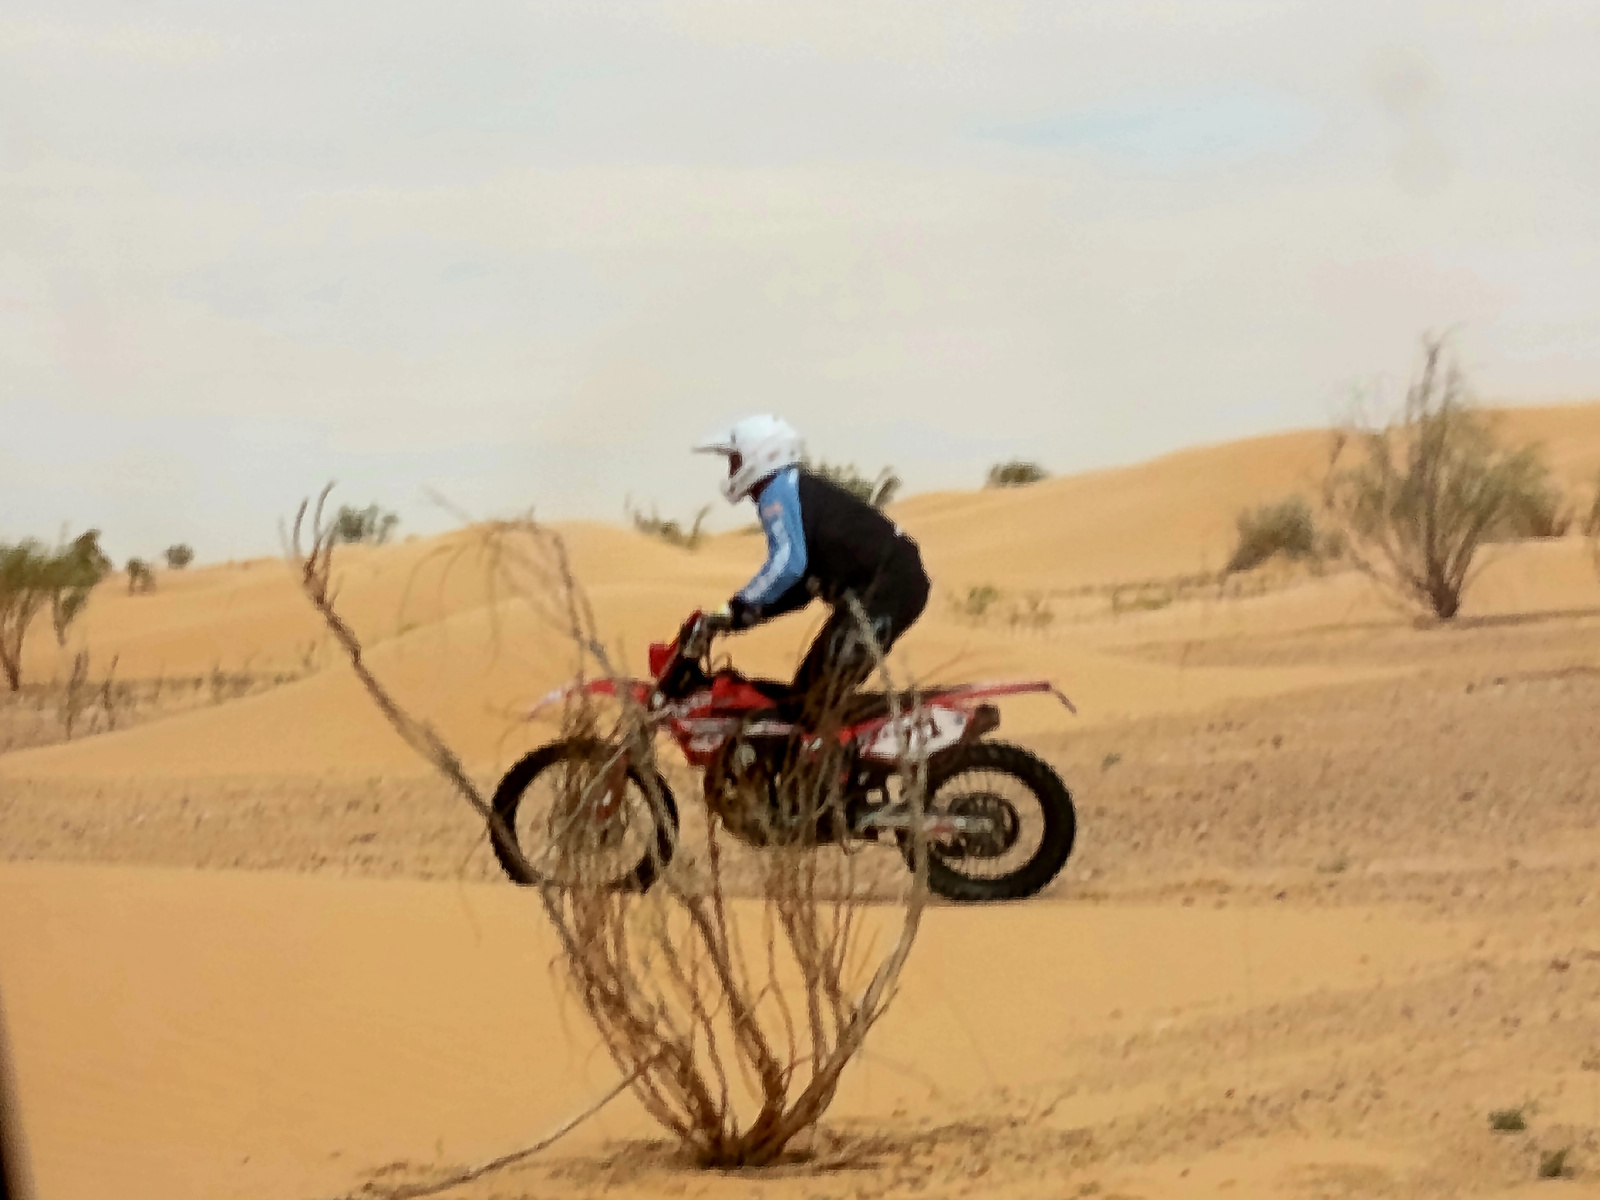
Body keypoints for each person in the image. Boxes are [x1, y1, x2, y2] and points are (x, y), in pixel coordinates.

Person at [693, 415, 930, 722]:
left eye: (735, 461)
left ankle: (850, 750)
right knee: (807, 695)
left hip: (886, 590)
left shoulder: (776, 491)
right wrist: (742, 617)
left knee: (816, 700)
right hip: (886, 587)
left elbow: (788, 565)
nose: (732, 471)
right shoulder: (792, 489)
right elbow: (799, 586)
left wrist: (736, 605)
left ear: (757, 455)